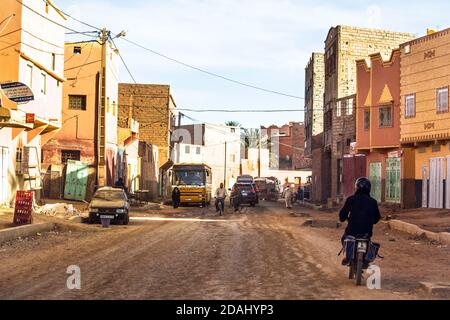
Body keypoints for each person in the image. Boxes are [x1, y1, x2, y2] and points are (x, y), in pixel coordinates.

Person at [339, 177, 381, 265]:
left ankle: (348, 256)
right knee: (368, 241)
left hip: (352, 231)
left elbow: (342, 216)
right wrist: (371, 221)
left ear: (356, 187)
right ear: (369, 188)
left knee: (344, 238)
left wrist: (344, 218)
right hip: (366, 232)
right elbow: (377, 218)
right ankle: (366, 260)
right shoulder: (372, 202)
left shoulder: (350, 200)